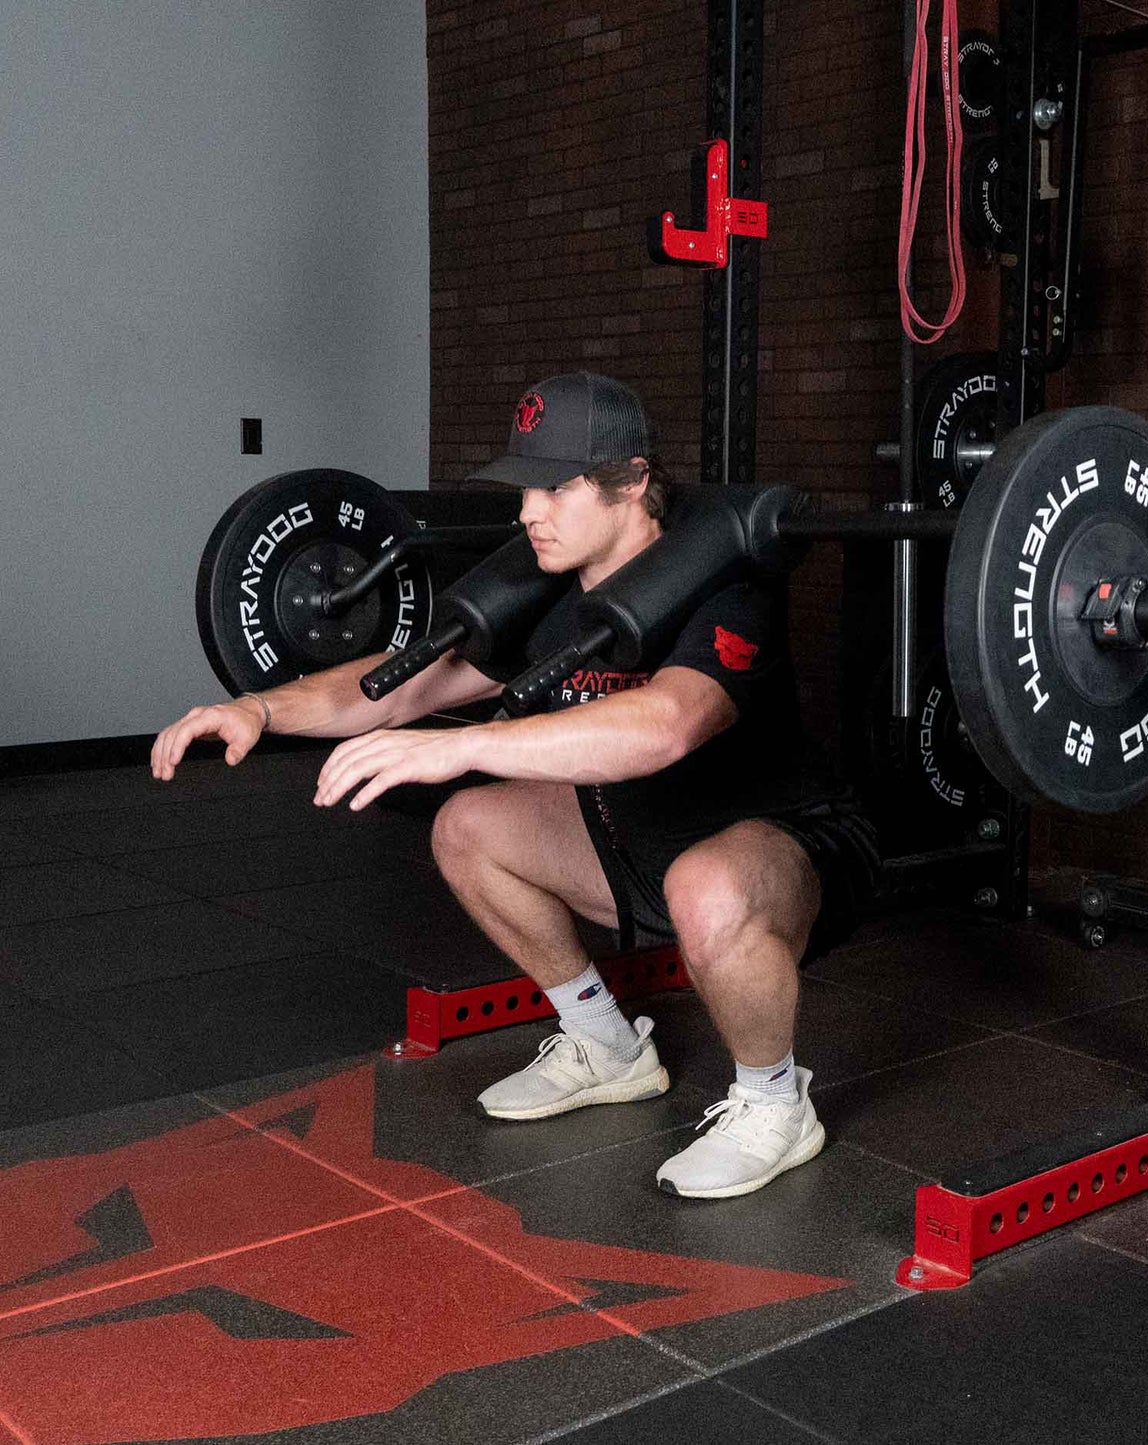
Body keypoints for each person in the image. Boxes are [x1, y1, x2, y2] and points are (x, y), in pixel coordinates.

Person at [152, 372, 879, 1198]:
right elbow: (397, 685)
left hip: (786, 855)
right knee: (467, 826)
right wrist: (256, 709)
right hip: (637, 847)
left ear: (633, 482)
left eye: (556, 488)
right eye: (525, 488)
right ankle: (605, 1044)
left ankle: (774, 1103)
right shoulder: (551, 598)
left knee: (704, 883)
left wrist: (466, 747)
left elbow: (667, 722)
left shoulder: (728, 589)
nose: (528, 511)